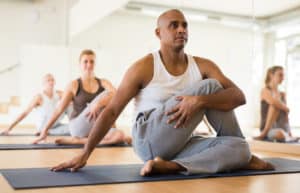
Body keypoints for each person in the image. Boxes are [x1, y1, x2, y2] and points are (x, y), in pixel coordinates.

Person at [51, 9, 273, 176]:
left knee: (240, 146)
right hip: (148, 138)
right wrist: (85, 152)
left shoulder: (203, 65)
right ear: (159, 33)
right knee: (212, 87)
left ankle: (173, 166)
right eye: (174, 25)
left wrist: (198, 101)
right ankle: (242, 159)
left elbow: (239, 96)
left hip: (176, 144)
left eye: (184, 26)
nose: (181, 30)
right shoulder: (144, 66)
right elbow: (111, 111)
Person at [32, 49, 131, 145]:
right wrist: (44, 130)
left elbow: (116, 98)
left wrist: (99, 104)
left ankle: (81, 141)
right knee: (108, 93)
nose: (89, 65)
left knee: (120, 135)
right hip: (78, 127)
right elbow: (59, 109)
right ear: (80, 64)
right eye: (85, 62)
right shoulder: (74, 85)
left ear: (95, 64)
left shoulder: (103, 82)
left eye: (92, 62)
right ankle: (84, 138)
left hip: (95, 127)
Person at [0, 74, 69, 136]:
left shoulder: (58, 93)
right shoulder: (39, 97)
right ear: (43, 83)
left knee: (73, 128)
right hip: (44, 125)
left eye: (52, 80)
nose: (51, 82)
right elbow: (25, 113)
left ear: (55, 82)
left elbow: (72, 98)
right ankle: (44, 131)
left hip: (55, 124)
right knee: (68, 105)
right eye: (48, 80)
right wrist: (9, 128)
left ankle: (49, 131)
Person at [254, 66, 297, 142]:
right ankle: (264, 133)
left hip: (282, 128)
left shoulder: (282, 94)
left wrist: (290, 133)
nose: (282, 78)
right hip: (269, 129)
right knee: (275, 105)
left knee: (282, 133)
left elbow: (286, 116)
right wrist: (286, 108)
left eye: (283, 75)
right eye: (280, 75)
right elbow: (273, 102)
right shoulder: (265, 91)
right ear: (271, 75)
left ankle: (288, 136)